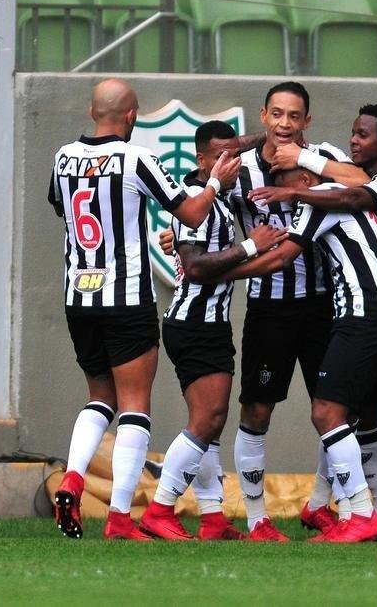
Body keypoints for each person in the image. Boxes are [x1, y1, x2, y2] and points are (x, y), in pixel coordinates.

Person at [160, 82, 369, 541]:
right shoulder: (242, 170)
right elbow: (197, 197)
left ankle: (320, 506)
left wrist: (306, 159)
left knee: (335, 412)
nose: (285, 124)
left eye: (294, 116)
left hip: (322, 305)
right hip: (268, 307)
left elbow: (360, 183)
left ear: (308, 121)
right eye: (276, 114)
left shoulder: (324, 158)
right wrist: (178, 237)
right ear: (263, 115)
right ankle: (256, 519)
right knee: (255, 410)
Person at [49, 78, 240, 541]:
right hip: (125, 296)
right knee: (135, 406)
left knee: (100, 398)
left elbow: (63, 208)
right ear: (131, 117)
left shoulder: (62, 156)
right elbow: (192, 213)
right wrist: (216, 181)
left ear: (93, 112)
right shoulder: (136, 158)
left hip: (79, 295)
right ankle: (118, 519)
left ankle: (73, 476)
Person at [251, 104, 377, 543]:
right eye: (352, 134)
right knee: (363, 412)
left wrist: (295, 189)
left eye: (362, 135)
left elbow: (358, 195)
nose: (354, 141)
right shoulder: (337, 186)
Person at [223, 164, 377, 543]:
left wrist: (217, 273)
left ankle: (363, 514)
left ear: (305, 181)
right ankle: (340, 509)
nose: (278, 195)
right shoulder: (338, 198)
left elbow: (280, 257)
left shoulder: (321, 202)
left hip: (362, 316)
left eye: (282, 186)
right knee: (339, 413)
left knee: (327, 412)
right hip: (371, 315)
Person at [137, 121, 283, 541]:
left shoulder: (213, 198)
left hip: (204, 323)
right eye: (220, 157)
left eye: (233, 155)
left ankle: (213, 517)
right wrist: (255, 247)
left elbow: (237, 147)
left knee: (211, 424)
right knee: (208, 418)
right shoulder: (197, 203)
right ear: (201, 160)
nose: (230, 163)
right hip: (195, 323)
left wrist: (274, 135)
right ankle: (160, 509)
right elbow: (198, 269)